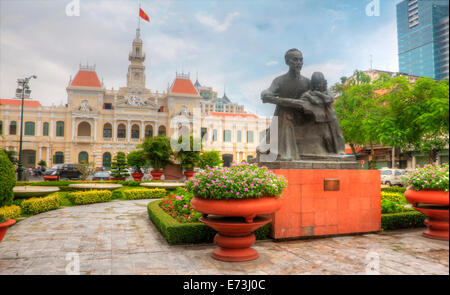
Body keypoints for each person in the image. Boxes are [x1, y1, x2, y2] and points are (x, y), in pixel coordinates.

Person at [258, 48, 311, 161]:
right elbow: (268, 92)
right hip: (284, 116)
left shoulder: (307, 82)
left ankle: (286, 152)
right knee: (285, 112)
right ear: (287, 62)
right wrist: (266, 93)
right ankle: (285, 153)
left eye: (301, 60)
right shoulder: (279, 80)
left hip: (303, 117)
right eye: (295, 60)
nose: (299, 63)